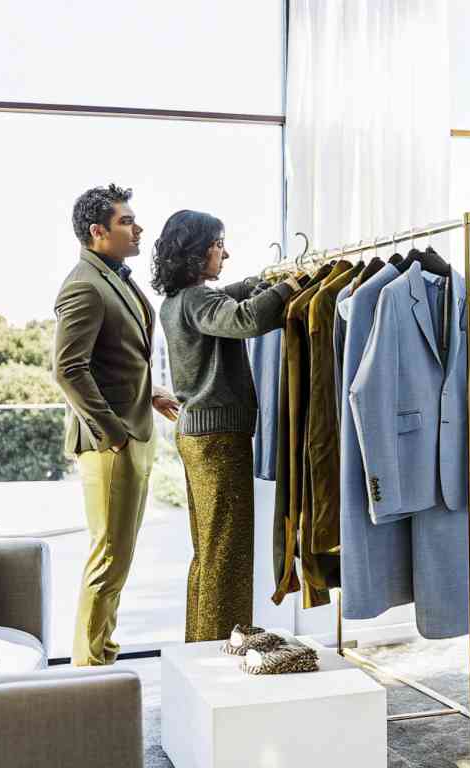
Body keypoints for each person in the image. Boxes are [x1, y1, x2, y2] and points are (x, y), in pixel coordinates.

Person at [152, 209, 301, 642]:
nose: (225, 253)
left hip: (198, 435)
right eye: (219, 244)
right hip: (218, 438)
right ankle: (223, 649)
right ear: (197, 252)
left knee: (209, 550)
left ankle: (202, 645)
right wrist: (289, 288)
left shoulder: (178, 301)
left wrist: (263, 281)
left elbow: (229, 299)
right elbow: (245, 319)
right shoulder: (199, 302)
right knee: (228, 552)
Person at [53, 184, 180, 666]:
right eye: (127, 221)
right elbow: (68, 369)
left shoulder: (115, 278)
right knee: (108, 559)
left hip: (135, 431)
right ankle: (91, 669)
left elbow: (116, 358)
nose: (138, 226)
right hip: (111, 444)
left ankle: (101, 652)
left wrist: (150, 393)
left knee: (118, 558)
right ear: (97, 231)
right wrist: (113, 433)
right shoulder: (83, 284)